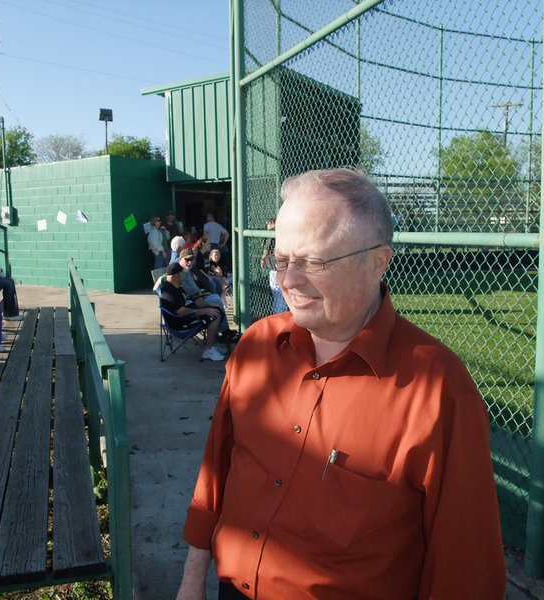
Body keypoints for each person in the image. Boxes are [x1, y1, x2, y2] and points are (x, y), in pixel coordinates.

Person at [176, 168, 506, 600]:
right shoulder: (256, 346)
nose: (289, 281)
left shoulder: (438, 390)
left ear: (377, 263)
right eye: (281, 260)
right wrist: (191, 583)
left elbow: (464, 565)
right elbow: (216, 471)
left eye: (313, 262)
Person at [160, 262, 225, 362]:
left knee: (216, 308)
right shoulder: (168, 291)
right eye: (182, 273)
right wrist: (203, 311)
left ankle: (212, 345)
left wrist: (208, 305)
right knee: (215, 315)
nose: (184, 276)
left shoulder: (178, 287)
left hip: (188, 316)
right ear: (177, 275)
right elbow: (179, 312)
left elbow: (189, 303)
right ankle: (209, 350)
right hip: (181, 324)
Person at [179, 249, 237, 343]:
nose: (190, 262)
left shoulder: (188, 270)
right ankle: (223, 331)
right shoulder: (179, 272)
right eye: (187, 259)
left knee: (216, 297)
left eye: (192, 259)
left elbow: (194, 288)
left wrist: (201, 293)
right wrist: (198, 295)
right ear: (180, 259)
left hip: (197, 297)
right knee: (216, 301)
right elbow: (186, 291)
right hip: (192, 303)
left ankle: (223, 331)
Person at [259, 217, 287, 314]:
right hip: (286, 264)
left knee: (276, 290)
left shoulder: (273, 231)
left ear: (270, 222)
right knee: (283, 292)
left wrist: (262, 260)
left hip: (276, 265)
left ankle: (278, 312)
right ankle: (283, 311)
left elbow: (266, 250)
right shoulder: (286, 230)